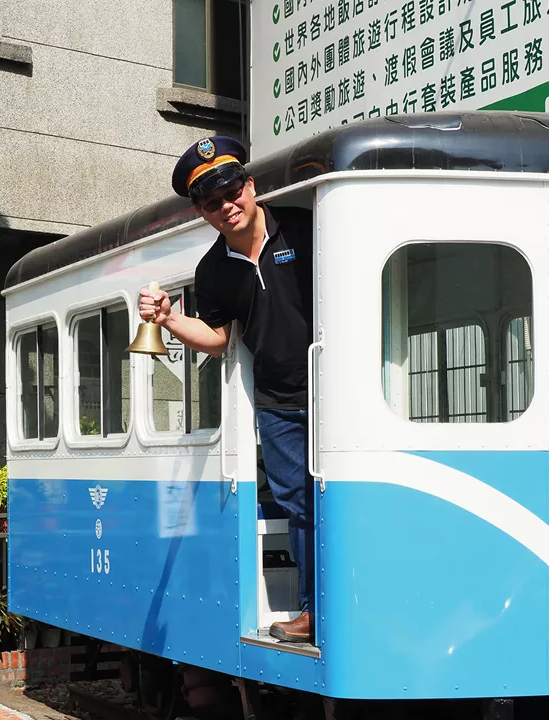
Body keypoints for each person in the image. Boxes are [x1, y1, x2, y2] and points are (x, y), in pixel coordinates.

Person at [137, 136, 315, 643]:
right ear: (201, 212)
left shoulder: (304, 228)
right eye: (212, 202)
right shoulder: (212, 271)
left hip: (337, 391)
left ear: (250, 186)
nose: (227, 206)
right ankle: (315, 610)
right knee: (299, 504)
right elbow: (217, 340)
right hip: (278, 402)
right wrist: (169, 319)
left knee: (344, 495)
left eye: (232, 191)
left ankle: (350, 602)